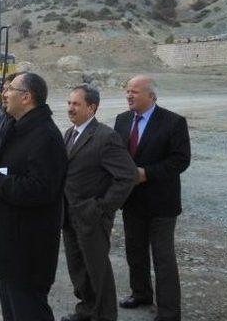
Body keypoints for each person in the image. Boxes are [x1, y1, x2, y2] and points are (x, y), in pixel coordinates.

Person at [0, 73, 67, 321]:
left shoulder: (46, 136)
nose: (5, 94)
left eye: (11, 90)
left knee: (29, 310)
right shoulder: (20, 128)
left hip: (27, 248)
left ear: (27, 97)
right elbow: (17, 168)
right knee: (12, 311)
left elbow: (40, 189)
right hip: (10, 242)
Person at [114, 75, 190, 321]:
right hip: (132, 200)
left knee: (163, 257)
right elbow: (117, 155)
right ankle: (141, 293)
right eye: (127, 91)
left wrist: (147, 173)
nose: (129, 95)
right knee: (135, 251)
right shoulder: (122, 120)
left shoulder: (173, 122)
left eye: (135, 91)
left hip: (162, 203)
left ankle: (169, 311)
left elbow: (180, 160)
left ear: (151, 96)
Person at [61, 85, 137, 321]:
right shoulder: (69, 133)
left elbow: (127, 175)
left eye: (76, 104)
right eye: (69, 103)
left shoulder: (106, 136)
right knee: (78, 267)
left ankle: (104, 315)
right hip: (69, 214)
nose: (70, 108)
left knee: (97, 269)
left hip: (92, 216)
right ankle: (86, 309)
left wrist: (102, 207)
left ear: (91, 107)